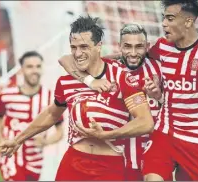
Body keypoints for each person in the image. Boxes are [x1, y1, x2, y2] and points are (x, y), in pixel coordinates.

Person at [0, 15, 154, 181]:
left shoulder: (122, 77)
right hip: (73, 163)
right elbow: (51, 114)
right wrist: (17, 140)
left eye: (84, 47)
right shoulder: (66, 81)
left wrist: (108, 134)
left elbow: (145, 122)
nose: (78, 53)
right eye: (74, 47)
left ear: (98, 46)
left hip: (110, 165)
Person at [140, 0, 198, 181]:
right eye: (163, 18)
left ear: (188, 21)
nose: (163, 24)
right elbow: (133, 58)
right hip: (165, 134)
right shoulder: (161, 47)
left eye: (170, 19)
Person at [58, 23, 165, 181]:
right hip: (124, 155)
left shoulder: (159, 68)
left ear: (147, 46)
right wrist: (90, 81)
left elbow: (177, 106)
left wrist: (159, 96)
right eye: (127, 46)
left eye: (139, 47)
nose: (133, 53)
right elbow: (65, 59)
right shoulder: (112, 67)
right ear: (119, 46)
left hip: (153, 151)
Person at [0, 51, 64, 181]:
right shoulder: (7, 95)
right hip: (12, 155)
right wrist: (0, 140)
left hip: (35, 159)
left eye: (38, 66)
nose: (34, 70)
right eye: (30, 67)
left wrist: (45, 142)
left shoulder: (50, 98)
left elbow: (60, 132)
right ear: (21, 70)